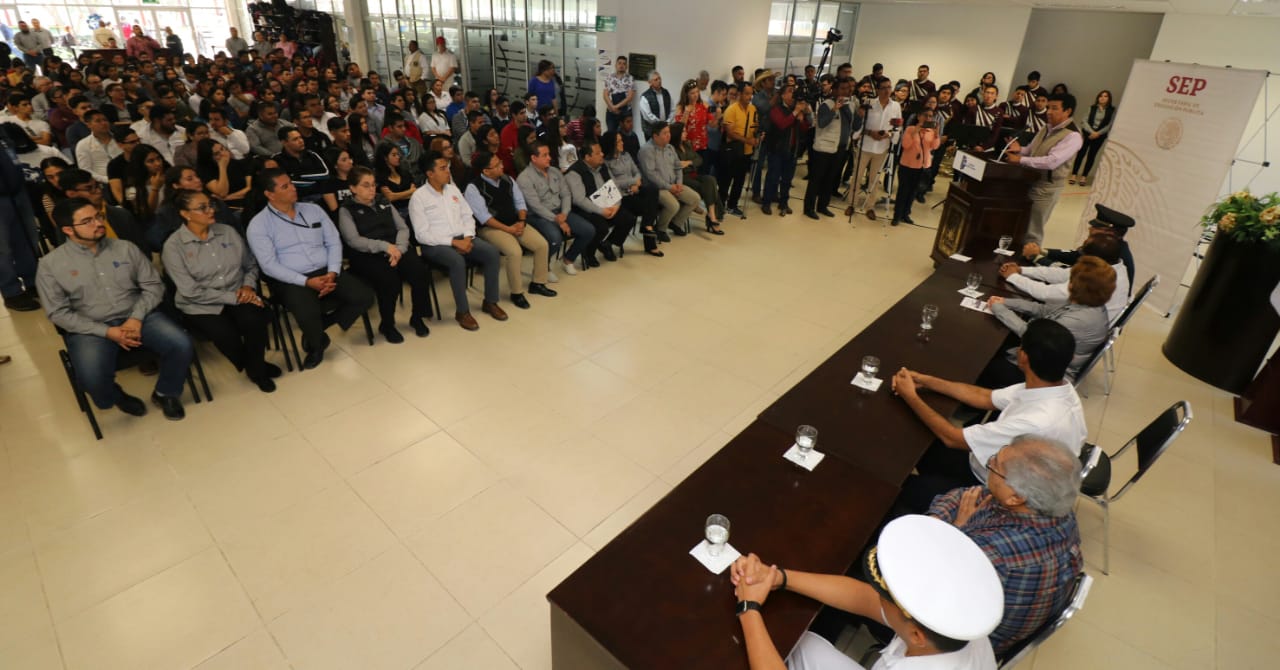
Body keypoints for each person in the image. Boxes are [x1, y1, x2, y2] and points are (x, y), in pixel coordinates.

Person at [731, 514, 1004, 670]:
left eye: (886, 599)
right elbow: (863, 598)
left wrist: (748, 608)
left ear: (917, 635)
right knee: (803, 644)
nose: (878, 598)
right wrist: (779, 577)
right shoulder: (958, 624)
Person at [892, 319, 1087, 510]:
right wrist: (926, 381)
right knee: (915, 443)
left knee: (903, 490)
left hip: (995, 490)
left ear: (1023, 356)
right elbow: (984, 397)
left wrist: (910, 396)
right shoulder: (1056, 389)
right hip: (994, 467)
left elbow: (952, 438)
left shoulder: (1036, 422)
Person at [37, 197, 193, 420]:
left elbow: (153, 285)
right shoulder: (50, 265)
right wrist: (107, 332)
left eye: (98, 216)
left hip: (138, 315)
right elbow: (57, 313)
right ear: (68, 230)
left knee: (181, 344)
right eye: (88, 221)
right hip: (90, 327)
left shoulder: (125, 248)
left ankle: (165, 393)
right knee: (91, 379)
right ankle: (116, 397)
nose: (98, 223)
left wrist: (136, 318)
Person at [927, 435, 1083, 657]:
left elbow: (930, 575)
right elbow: (964, 496)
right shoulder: (1053, 508)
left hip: (957, 641)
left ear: (1015, 497)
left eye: (995, 465)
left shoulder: (994, 553)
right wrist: (937, 522)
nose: (989, 463)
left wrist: (955, 531)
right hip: (970, 591)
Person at [246, 169, 375, 369]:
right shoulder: (259, 225)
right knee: (307, 312)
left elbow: (333, 241)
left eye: (291, 183)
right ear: (270, 194)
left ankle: (320, 327)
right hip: (292, 278)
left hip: (326, 270)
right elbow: (269, 265)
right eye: (285, 186)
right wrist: (306, 281)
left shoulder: (313, 210)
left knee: (364, 297)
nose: (293, 188)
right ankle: (317, 346)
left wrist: (332, 272)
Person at [162, 189, 279, 392]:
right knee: (224, 334)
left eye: (211, 205)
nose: (211, 210)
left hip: (238, 290)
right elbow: (190, 291)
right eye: (202, 208)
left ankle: (257, 371)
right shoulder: (173, 247)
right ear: (185, 214)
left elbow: (250, 264)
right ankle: (254, 365)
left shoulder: (227, 232)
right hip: (200, 303)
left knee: (255, 319)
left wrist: (248, 287)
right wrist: (235, 297)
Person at [409, 151, 506, 330]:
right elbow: (422, 234)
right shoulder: (419, 197)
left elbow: (467, 215)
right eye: (442, 168)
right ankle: (462, 311)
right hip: (435, 245)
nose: (448, 171)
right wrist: (453, 242)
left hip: (463, 237)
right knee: (457, 261)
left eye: (447, 167)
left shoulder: (453, 190)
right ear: (430, 174)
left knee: (492, 253)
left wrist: (468, 237)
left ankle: (490, 301)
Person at [986, 255, 1114, 386]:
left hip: (1045, 375)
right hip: (1046, 356)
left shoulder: (1076, 320)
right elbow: (1043, 310)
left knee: (986, 365)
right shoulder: (1090, 301)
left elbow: (1030, 335)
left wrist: (999, 310)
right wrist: (1006, 302)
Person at [337, 166, 432, 342]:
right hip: (367, 254)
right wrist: (385, 247)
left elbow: (402, 227)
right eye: (366, 185)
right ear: (353, 188)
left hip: (396, 248)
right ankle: (387, 325)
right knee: (389, 280)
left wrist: (399, 249)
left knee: (419, 272)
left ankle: (417, 317)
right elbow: (353, 240)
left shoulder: (383, 201)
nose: (372, 189)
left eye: (373, 184)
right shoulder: (346, 210)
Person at [464, 150, 557, 309]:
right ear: (486, 171)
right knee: (515, 252)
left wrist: (521, 221)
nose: (502, 166)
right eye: (497, 165)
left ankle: (538, 283)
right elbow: (485, 218)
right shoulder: (473, 188)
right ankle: (517, 293)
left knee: (542, 245)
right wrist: (509, 229)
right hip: (491, 228)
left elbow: (520, 203)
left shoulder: (508, 180)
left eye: (500, 162)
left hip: (515, 223)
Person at [1004, 93, 1082, 245]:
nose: (1049, 112)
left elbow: (1051, 162)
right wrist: (1019, 150)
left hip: (1046, 187)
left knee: (1032, 230)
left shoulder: (1073, 136)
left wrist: (1020, 159)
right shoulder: (1046, 127)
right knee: (1019, 224)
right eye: (1048, 108)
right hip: (1027, 179)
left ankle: (1028, 257)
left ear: (1068, 111)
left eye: (1054, 108)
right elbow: (1031, 150)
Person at [1000, 233, 1129, 324]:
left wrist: (1013, 277)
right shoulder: (1113, 266)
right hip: (1080, 319)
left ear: (1094, 259)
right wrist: (1021, 270)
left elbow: (1046, 293)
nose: (1079, 255)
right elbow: (1061, 274)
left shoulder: (1098, 278)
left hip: (1073, 328)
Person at [518, 142, 595, 274]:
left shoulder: (554, 171)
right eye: (545, 155)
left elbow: (566, 194)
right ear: (534, 158)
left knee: (588, 230)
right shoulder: (524, 178)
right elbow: (535, 206)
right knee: (555, 238)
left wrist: (564, 214)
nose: (549, 158)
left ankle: (568, 259)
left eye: (549, 154)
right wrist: (557, 220)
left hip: (560, 211)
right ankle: (544, 268)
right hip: (538, 216)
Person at [1022, 203, 1136, 291]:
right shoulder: (1111, 245)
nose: (1090, 229)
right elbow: (1076, 255)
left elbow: (1072, 274)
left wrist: (1036, 258)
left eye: (1097, 228)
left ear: (1110, 233)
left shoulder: (1108, 253)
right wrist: (1042, 251)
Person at [564, 138, 634, 262]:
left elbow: (615, 185)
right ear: (587, 157)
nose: (602, 154)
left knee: (628, 219)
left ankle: (607, 244)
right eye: (597, 153)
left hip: (607, 204)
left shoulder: (602, 166)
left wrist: (616, 205)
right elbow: (579, 200)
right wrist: (601, 211)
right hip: (585, 210)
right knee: (601, 227)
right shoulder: (575, 172)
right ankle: (589, 252)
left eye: (601, 151)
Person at [804, 77, 858, 220]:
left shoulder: (851, 105)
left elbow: (855, 126)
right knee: (816, 179)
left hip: (841, 148)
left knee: (830, 179)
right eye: (842, 89)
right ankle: (809, 208)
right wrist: (835, 109)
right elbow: (821, 123)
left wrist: (859, 115)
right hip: (824, 149)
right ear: (834, 90)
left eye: (848, 89)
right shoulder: (826, 105)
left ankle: (823, 206)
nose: (846, 91)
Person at [603, 130, 663, 256]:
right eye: (619, 141)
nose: (622, 143)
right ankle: (649, 242)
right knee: (650, 206)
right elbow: (614, 183)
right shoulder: (606, 162)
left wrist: (635, 183)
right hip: (622, 196)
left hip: (635, 189)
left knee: (652, 190)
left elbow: (637, 172)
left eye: (621, 140)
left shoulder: (626, 155)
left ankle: (646, 226)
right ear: (611, 144)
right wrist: (632, 183)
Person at [639, 122, 701, 240]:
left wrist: (679, 183)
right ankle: (660, 229)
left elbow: (678, 166)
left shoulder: (670, 147)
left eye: (669, 132)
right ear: (655, 136)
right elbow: (651, 175)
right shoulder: (647, 150)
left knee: (695, 198)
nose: (669, 135)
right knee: (673, 205)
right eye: (665, 133)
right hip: (657, 188)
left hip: (674, 184)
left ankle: (676, 223)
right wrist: (669, 187)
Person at [851, 79, 901, 221]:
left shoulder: (896, 106)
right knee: (857, 177)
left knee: (874, 180)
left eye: (889, 87)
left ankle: (870, 207)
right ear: (877, 90)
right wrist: (869, 132)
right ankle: (852, 204)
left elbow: (897, 127)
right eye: (883, 87)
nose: (887, 90)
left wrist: (889, 135)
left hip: (882, 148)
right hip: (865, 146)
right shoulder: (869, 103)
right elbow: (860, 126)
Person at [62, 167, 146, 251]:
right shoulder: (67, 223)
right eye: (89, 188)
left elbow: (141, 249)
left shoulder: (121, 215)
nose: (98, 191)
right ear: (71, 194)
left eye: (97, 186)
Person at [0, 134, 39, 313]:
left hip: (17, 192)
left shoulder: (3, 132)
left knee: (27, 239)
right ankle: (12, 292)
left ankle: (33, 281)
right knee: (2, 249)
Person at [762, 85, 810, 217]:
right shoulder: (776, 109)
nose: (793, 94)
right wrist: (795, 112)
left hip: (793, 150)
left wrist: (803, 117)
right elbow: (782, 124)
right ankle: (766, 202)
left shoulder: (796, 109)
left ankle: (784, 203)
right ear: (782, 96)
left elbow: (805, 128)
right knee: (773, 177)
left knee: (787, 180)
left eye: (794, 91)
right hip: (777, 149)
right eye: (789, 91)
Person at [671, 123, 723, 234]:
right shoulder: (671, 149)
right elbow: (676, 166)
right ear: (677, 134)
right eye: (683, 131)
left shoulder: (687, 144)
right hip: (681, 178)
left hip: (692, 173)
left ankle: (710, 215)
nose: (686, 133)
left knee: (710, 179)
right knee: (706, 186)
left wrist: (689, 162)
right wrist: (688, 164)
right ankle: (712, 218)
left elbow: (699, 159)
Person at [891, 107, 940, 226]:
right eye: (925, 115)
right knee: (903, 191)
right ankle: (897, 215)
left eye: (930, 116)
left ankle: (906, 214)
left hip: (922, 166)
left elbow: (934, 146)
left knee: (913, 192)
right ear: (919, 116)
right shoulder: (910, 129)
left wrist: (936, 134)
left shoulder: (931, 131)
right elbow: (905, 145)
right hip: (907, 165)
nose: (928, 118)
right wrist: (915, 132)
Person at [719, 82, 758, 218]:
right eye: (747, 93)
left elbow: (755, 126)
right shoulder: (732, 109)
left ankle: (732, 205)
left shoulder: (753, 109)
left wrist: (758, 136)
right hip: (732, 150)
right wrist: (747, 140)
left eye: (751, 93)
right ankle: (720, 206)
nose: (749, 96)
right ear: (740, 94)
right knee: (726, 180)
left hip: (746, 151)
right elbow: (729, 133)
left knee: (740, 180)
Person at [1071, 90, 1114, 186]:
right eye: (1101, 96)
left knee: (1091, 156)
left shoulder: (1112, 110)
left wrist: (1098, 133)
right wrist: (1092, 132)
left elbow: (1110, 125)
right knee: (1081, 154)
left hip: (1099, 136)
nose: (1102, 98)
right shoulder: (1092, 108)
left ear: (1109, 98)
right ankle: (1074, 175)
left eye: (1105, 96)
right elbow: (1084, 121)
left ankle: (1084, 177)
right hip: (1088, 134)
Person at [75, 109, 123, 186]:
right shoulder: (83, 144)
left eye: (105, 120)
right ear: (88, 125)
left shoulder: (119, 137)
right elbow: (85, 170)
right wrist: (108, 180)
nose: (103, 123)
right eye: (98, 121)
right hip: (103, 183)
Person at [602, 55, 634, 133]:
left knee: (626, 134)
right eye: (619, 63)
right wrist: (612, 107)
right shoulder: (609, 77)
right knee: (611, 134)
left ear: (626, 66)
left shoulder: (630, 78)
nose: (621, 65)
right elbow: (605, 95)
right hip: (611, 112)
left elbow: (630, 97)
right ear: (615, 65)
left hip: (625, 112)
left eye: (624, 64)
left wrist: (616, 107)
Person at [638, 71, 674, 140]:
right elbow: (648, 116)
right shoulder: (645, 96)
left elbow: (672, 109)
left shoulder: (666, 93)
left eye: (659, 78)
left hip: (665, 128)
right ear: (650, 82)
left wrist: (668, 122)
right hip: (651, 131)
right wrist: (661, 125)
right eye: (656, 80)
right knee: (652, 147)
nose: (659, 81)